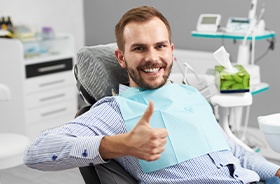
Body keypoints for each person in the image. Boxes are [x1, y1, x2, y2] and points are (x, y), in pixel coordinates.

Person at [24, 6, 280, 184]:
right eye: (139, 48)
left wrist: (275, 170)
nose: (152, 58)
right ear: (121, 58)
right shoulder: (114, 110)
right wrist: (119, 144)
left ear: (171, 50)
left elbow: (233, 150)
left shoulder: (190, 94)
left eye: (159, 46)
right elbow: (36, 152)